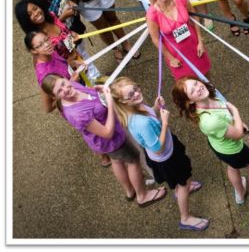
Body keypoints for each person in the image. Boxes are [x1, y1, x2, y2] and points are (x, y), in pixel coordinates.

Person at [41, 74, 167, 205]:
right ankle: (142, 196)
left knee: (116, 160)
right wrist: (110, 103)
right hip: (111, 141)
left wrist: (99, 91)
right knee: (133, 160)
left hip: (105, 143)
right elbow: (107, 133)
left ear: (65, 78)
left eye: (63, 84)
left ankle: (130, 191)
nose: (65, 89)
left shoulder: (73, 86)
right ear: (54, 97)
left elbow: (92, 96)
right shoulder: (77, 114)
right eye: (59, 91)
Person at [111, 77, 209, 231]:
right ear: (123, 101)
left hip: (168, 150)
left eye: (136, 88)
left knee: (181, 180)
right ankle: (185, 217)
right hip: (167, 157)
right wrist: (164, 122)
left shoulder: (135, 108)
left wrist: (155, 108)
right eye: (130, 94)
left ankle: (180, 188)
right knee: (184, 181)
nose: (136, 93)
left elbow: (150, 125)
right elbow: (157, 147)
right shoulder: (141, 122)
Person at [172, 77, 249, 212]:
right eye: (192, 91)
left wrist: (236, 122)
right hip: (234, 150)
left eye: (195, 83)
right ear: (190, 101)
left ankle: (240, 194)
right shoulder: (209, 121)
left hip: (220, 146)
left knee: (233, 167)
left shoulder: (208, 98)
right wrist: (236, 112)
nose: (198, 87)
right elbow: (238, 134)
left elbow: (226, 117)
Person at [25, 31, 111, 167]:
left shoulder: (50, 52)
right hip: (72, 106)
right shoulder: (44, 75)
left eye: (47, 39)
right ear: (33, 51)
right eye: (40, 45)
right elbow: (48, 108)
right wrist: (70, 82)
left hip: (78, 93)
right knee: (90, 131)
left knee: (98, 121)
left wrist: (73, 64)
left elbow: (63, 65)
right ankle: (104, 156)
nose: (47, 45)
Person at [28, 0, 101, 82]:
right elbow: (47, 27)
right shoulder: (37, 5)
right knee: (79, 62)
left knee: (83, 55)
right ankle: (93, 81)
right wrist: (63, 16)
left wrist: (72, 2)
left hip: (75, 31)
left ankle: (95, 78)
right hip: (64, 42)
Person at [146, 0, 211, 80]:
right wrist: (170, 58)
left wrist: (200, 41)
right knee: (188, 84)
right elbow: (156, 39)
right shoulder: (152, 14)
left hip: (194, 45)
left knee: (206, 75)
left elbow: (194, 17)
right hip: (176, 55)